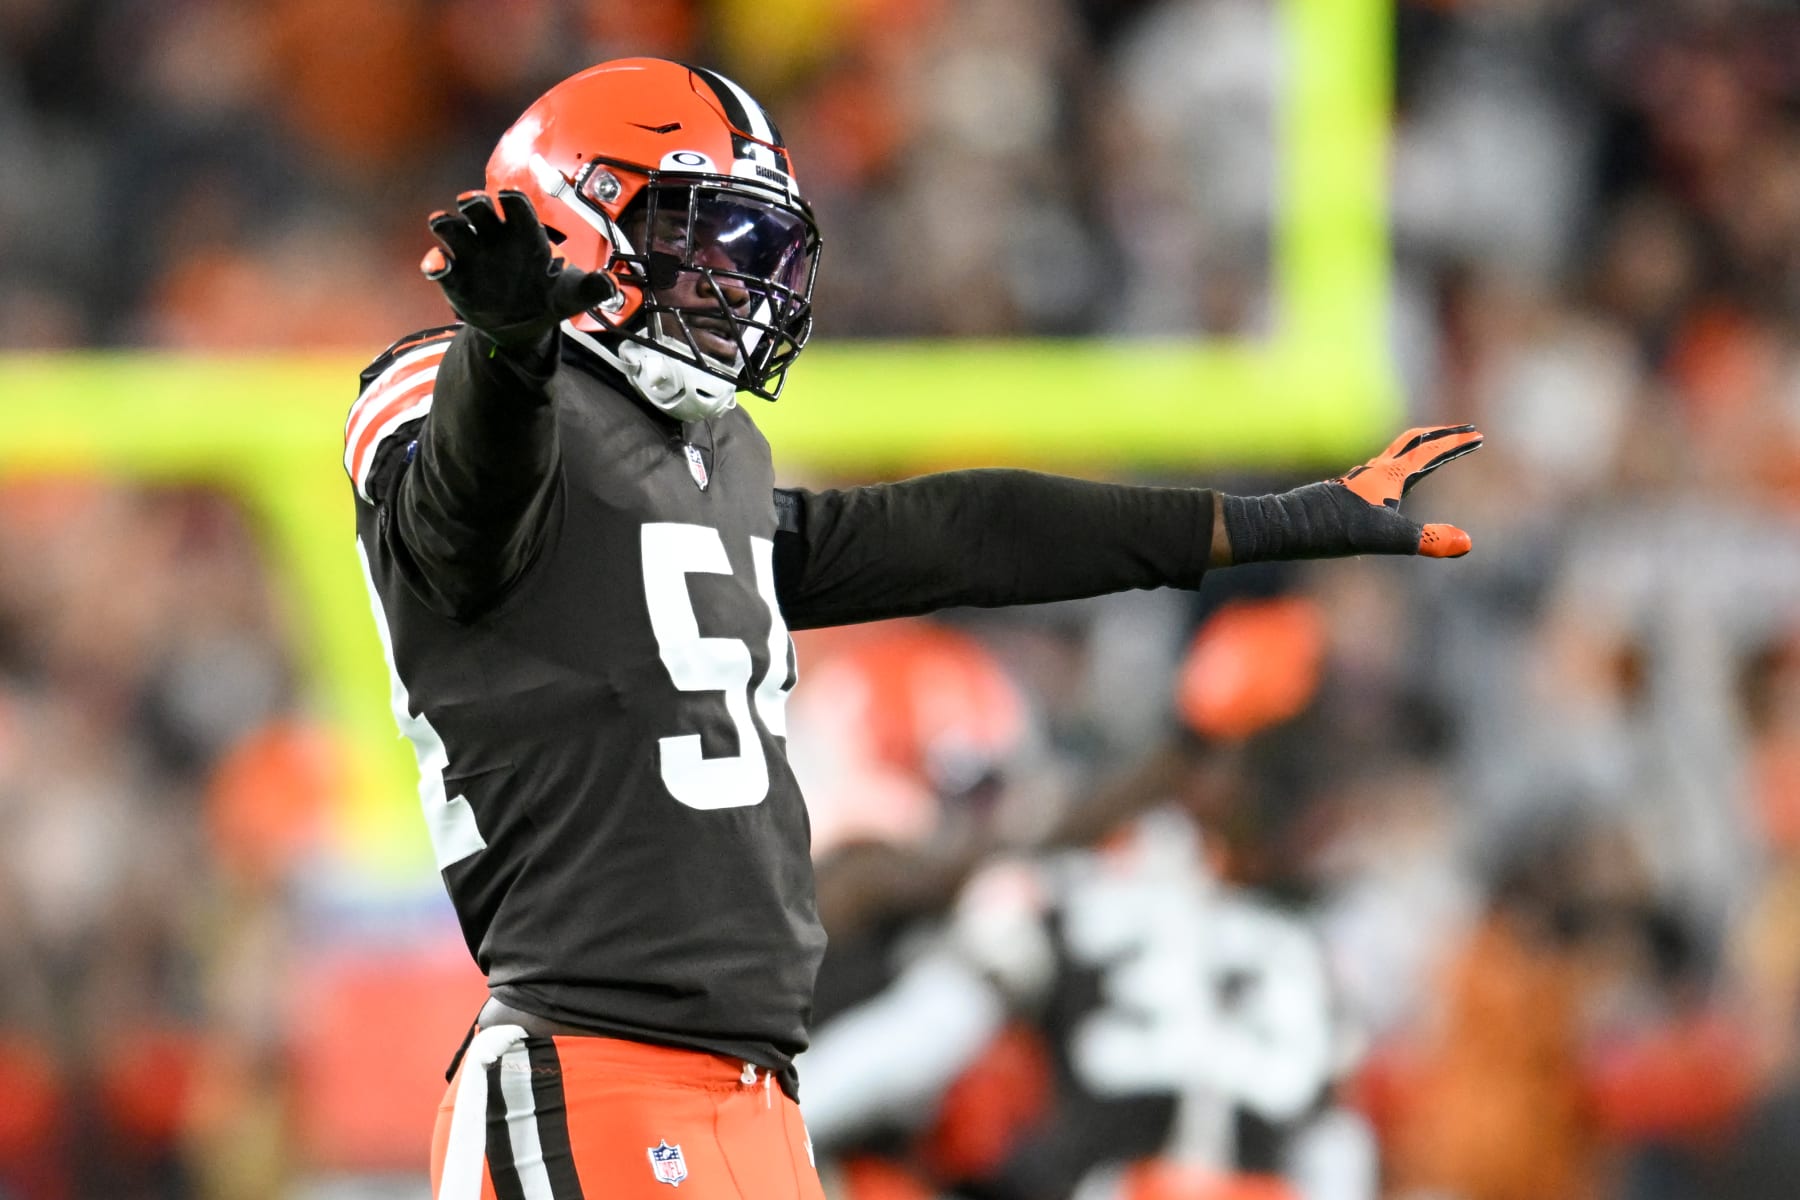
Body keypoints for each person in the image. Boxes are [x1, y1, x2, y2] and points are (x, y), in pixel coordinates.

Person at [341, 56, 1483, 1200]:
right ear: (573, 223)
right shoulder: (439, 389)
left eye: (755, 248)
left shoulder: (709, 458)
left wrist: (1282, 519)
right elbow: (458, 533)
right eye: (702, 237)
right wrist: (504, 356)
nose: (739, 283)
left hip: (752, 1090)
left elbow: (967, 533)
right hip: (590, 1068)